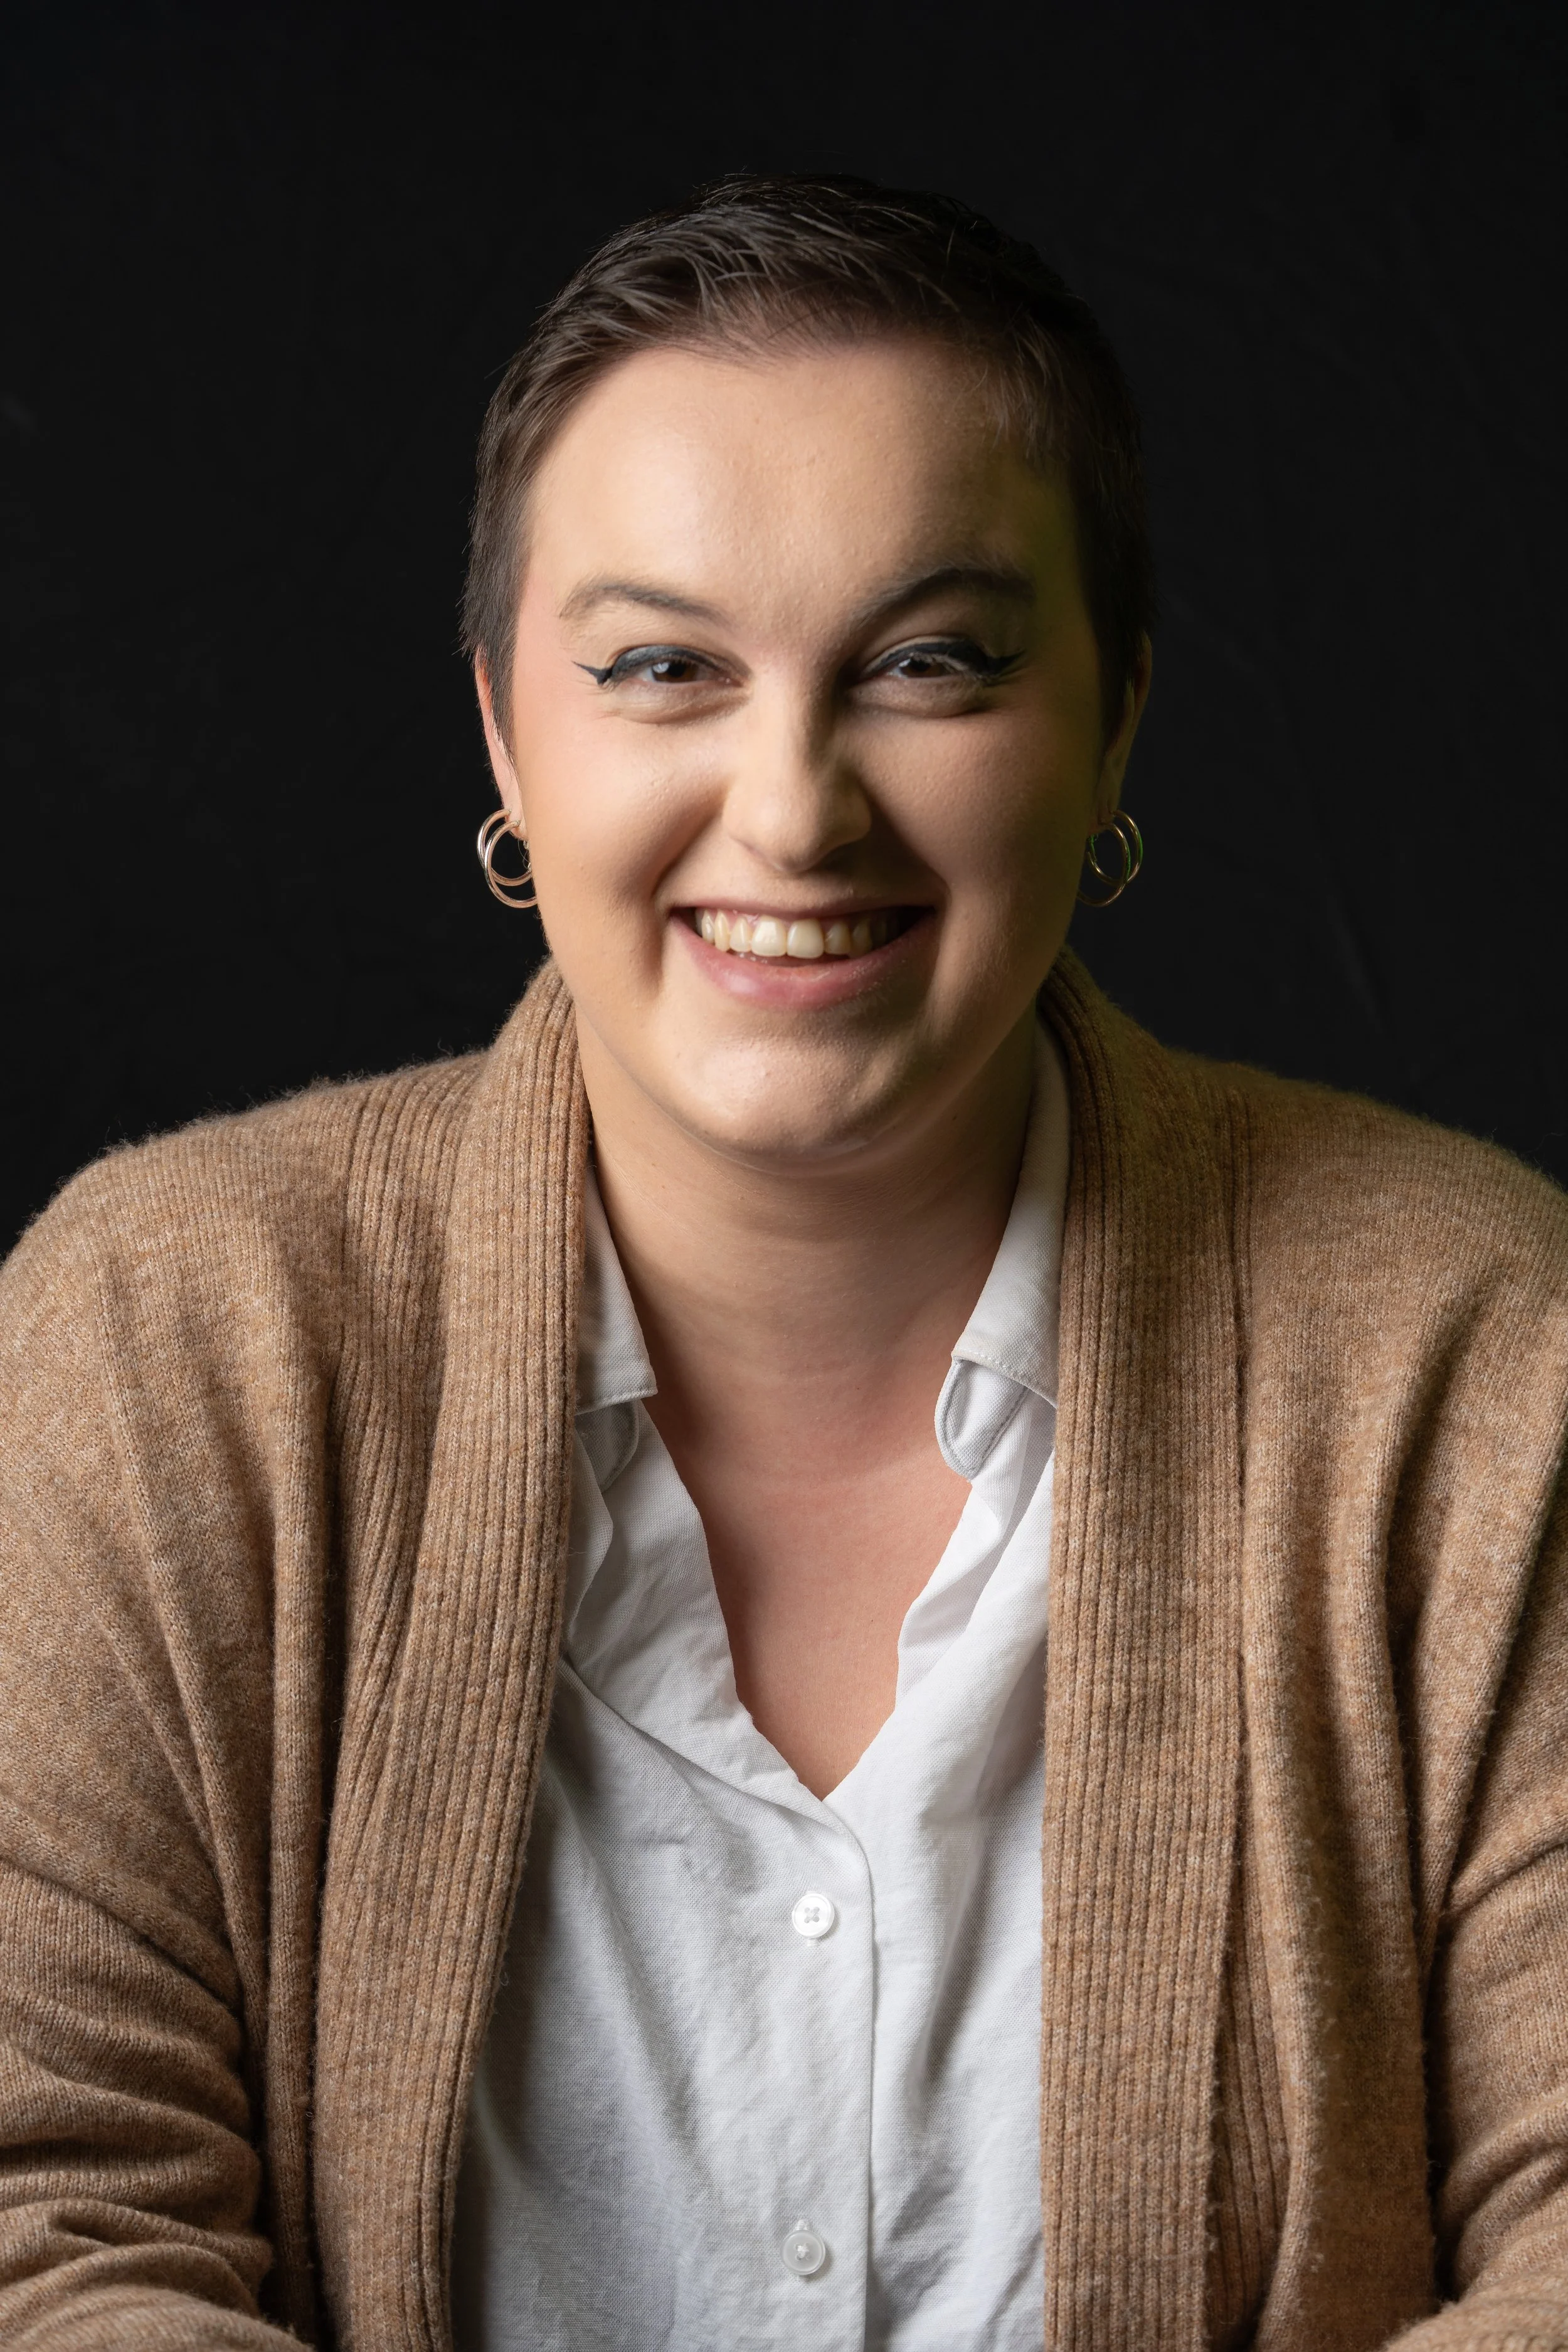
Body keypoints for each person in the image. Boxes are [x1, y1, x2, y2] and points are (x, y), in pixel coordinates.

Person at [1, 172, 1565, 2352]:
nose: (792, 805)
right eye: (661, 667)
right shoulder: (156, 1341)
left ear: (1112, 716)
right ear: (500, 737)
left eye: (927, 662)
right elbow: (48, 2225)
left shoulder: (1480, 1348)